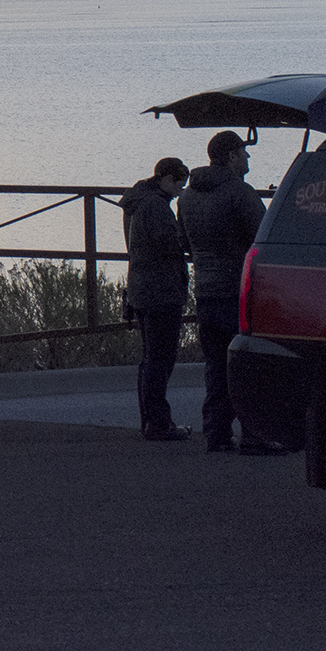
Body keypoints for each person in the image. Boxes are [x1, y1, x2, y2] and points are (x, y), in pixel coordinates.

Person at [178, 130, 283, 454]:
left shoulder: (186, 197)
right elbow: (263, 238)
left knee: (216, 365)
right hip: (237, 290)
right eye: (243, 152)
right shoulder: (240, 193)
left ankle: (217, 432)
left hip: (206, 290)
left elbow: (184, 243)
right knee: (249, 364)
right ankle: (255, 434)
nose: (248, 157)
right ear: (231, 156)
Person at [122, 156, 193, 440]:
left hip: (142, 289)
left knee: (150, 358)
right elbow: (172, 245)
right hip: (161, 291)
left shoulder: (139, 203)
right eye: (178, 183)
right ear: (165, 179)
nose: (180, 189)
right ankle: (159, 422)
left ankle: (150, 420)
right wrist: (185, 221)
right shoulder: (156, 207)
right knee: (161, 359)